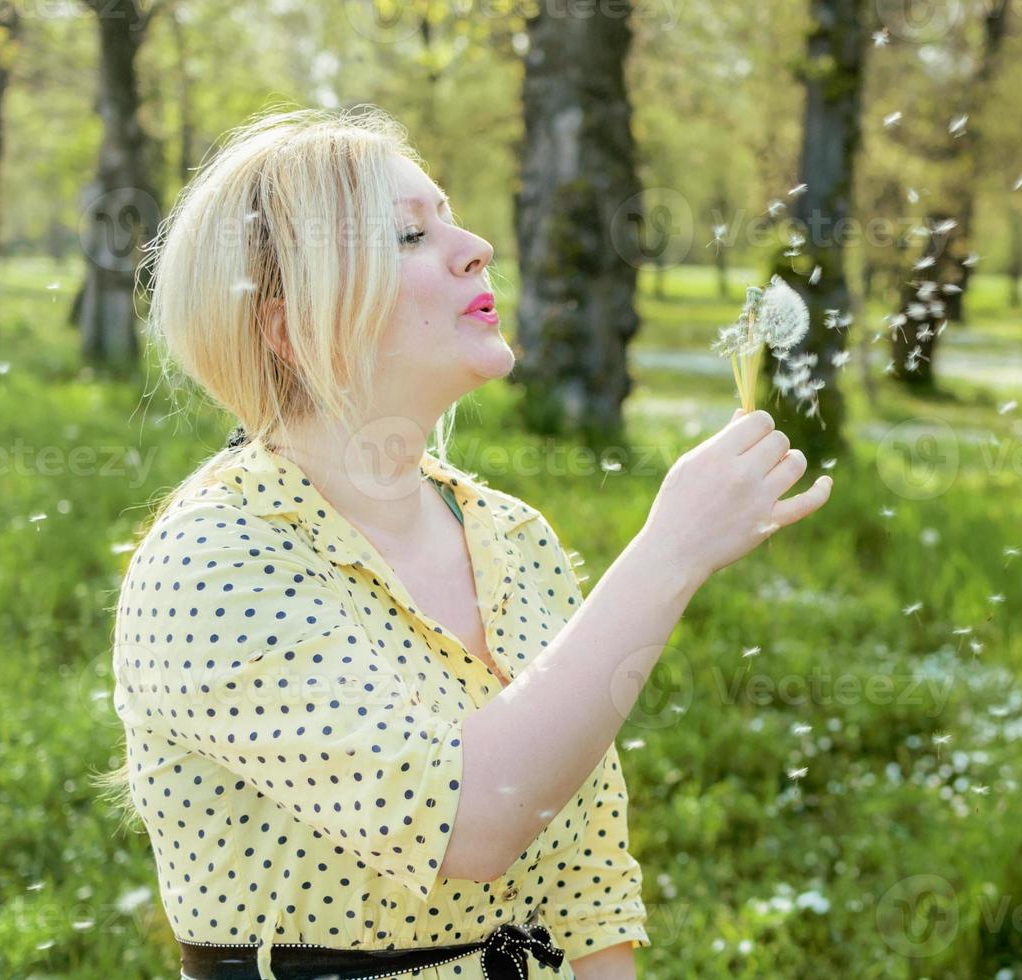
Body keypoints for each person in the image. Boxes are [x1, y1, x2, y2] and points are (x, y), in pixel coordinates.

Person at [102, 104, 832, 980]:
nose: (476, 244)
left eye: (450, 216)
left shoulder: (512, 537)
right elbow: (470, 818)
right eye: (410, 234)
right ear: (287, 326)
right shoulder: (211, 564)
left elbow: (586, 881)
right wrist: (670, 551)